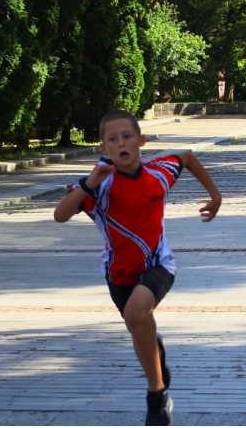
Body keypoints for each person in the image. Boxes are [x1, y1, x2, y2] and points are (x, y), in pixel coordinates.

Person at [54, 110, 222, 426]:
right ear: (104, 148)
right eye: (113, 139)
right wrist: (88, 184)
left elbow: (187, 157)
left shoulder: (159, 171)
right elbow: (60, 215)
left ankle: (156, 397)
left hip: (159, 264)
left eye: (127, 136)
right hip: (118, 274)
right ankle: (155, 354)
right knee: (141, 323)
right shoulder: (97, 185)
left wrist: (216, 196)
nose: (121, 143)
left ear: (141, 141)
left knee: (135, 315)